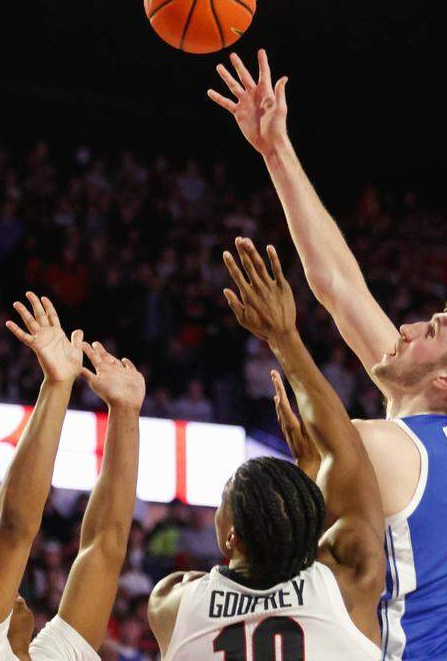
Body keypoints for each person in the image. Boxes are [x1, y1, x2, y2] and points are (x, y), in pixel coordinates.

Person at [209, 52, 447, 659]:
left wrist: (282, 338)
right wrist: (275, 148)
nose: (406, 329)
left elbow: (274, 535)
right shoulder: (445, 429)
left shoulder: (388, 450)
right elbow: (339, 286)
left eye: (431, 331)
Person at [148, 242, 385, 658]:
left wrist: (306, 476)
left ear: (231, 536)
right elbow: (348, 453)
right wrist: (285, 336)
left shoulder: (174, 602)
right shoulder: (348, 584)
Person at [0, 291, 145, 661]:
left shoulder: (55, 654)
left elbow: (105, 546)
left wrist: (125, 410)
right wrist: (56, 384)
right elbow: (13, 530)